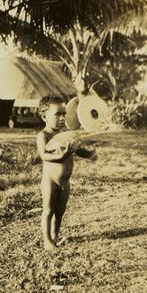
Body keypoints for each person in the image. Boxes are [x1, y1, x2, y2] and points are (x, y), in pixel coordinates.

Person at [36, 95, 94, 250]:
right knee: (48, 210)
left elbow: (77, 149)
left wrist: (89, 154)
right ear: (44, 116)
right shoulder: (44, 135)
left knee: (60, 211)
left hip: (65, 181)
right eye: (57, 114)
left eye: (64, 114)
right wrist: (63, 155)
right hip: (50, 181)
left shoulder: (66, 134)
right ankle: (47, 241)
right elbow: (44, 155)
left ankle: (55, 236)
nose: (62, 118)